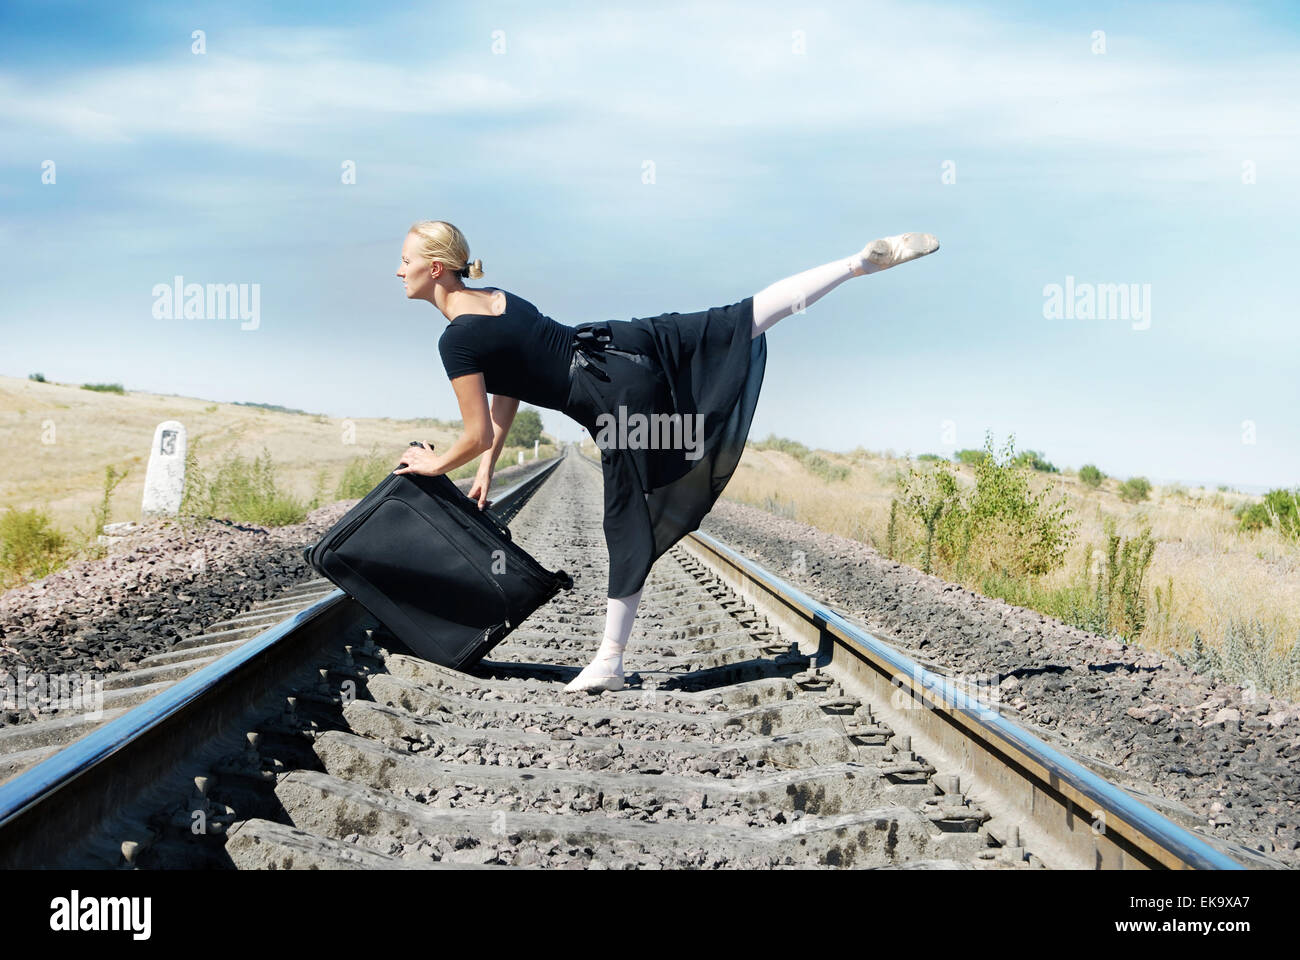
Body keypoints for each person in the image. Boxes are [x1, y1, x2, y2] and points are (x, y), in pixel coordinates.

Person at [393, 219, 939, 693]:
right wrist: (486, 468)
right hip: (619, 344)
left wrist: (436, 463)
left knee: (627, 518)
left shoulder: (456, 340)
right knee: (736, 320)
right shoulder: (496, 299)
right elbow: (504, 390)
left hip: (613, 398)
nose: (400, 270)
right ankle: (855, 265)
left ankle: (609, 660)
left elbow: (475, 433)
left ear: (437, 269)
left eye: (406, 260)